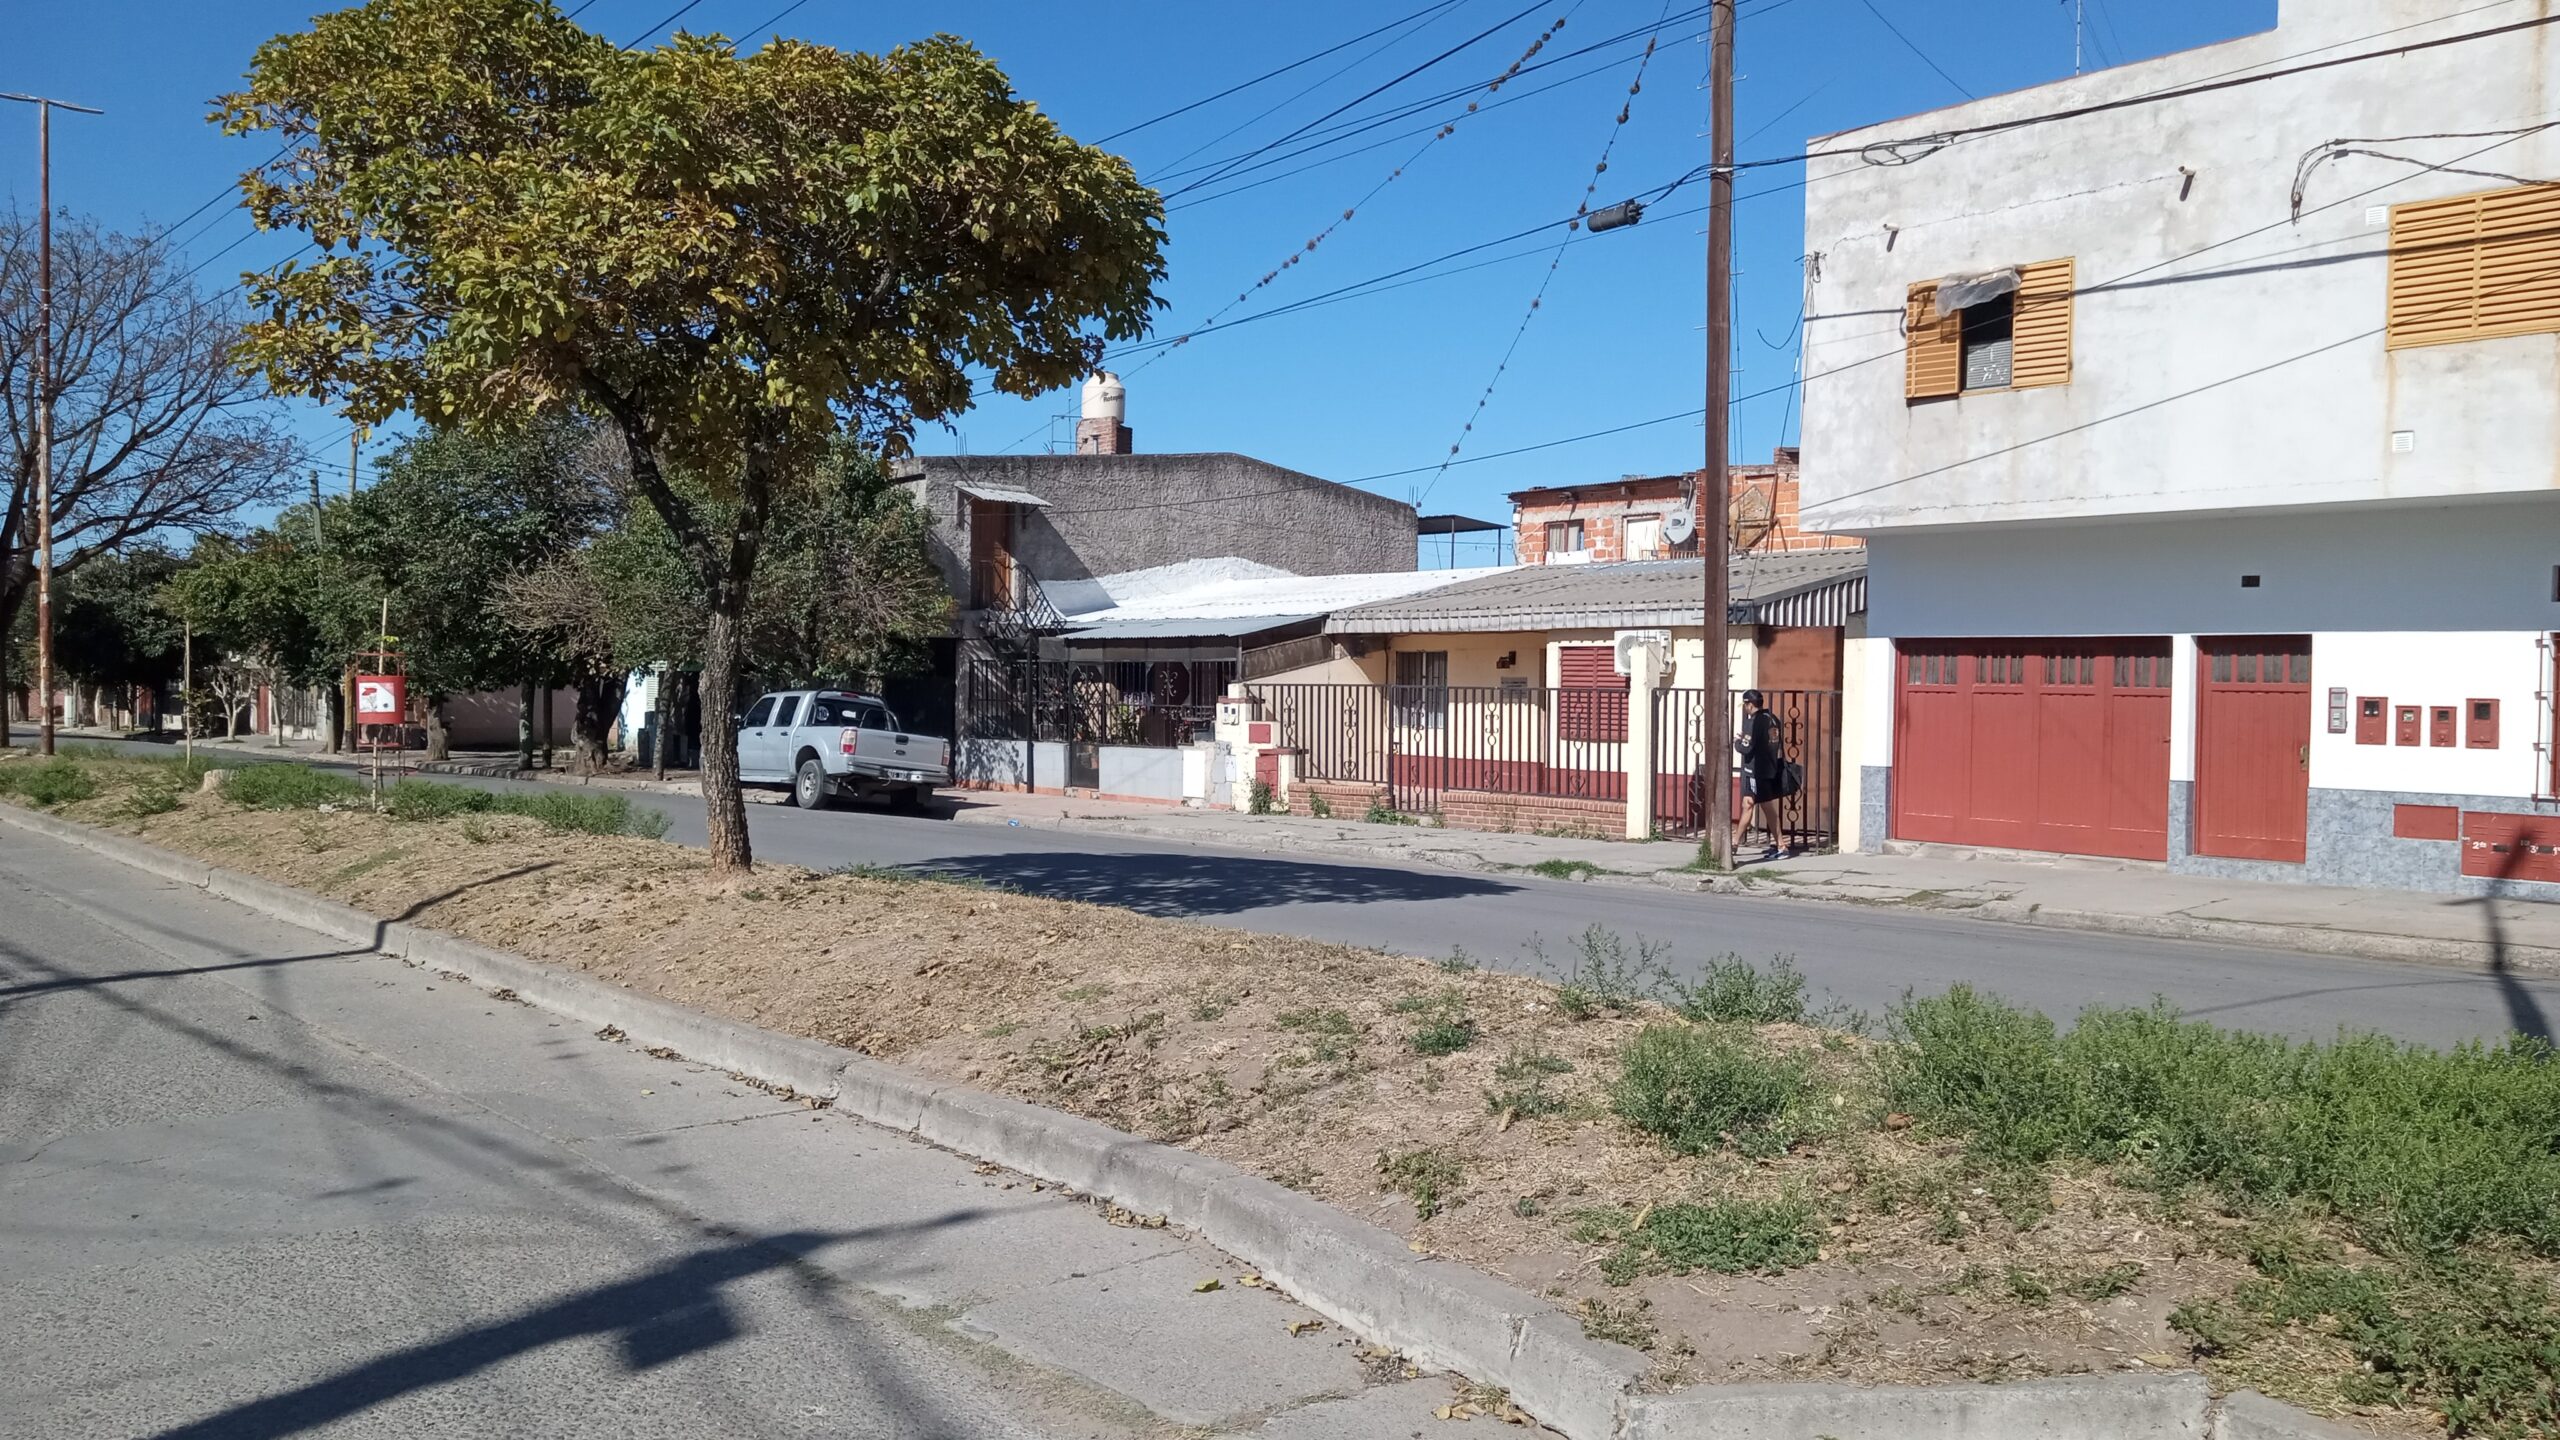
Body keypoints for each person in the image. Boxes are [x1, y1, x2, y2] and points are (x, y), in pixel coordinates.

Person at [1731, 689, 1787, 862]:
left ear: (1750, 704)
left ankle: (1780, 845)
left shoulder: (1753, 722)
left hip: (1755, 771)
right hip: (1769, 768)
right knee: (1753, 805)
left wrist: (1737, 742)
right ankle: (1735, 842)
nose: (1745, 709)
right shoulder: (1773, 719)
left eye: (1746, 705)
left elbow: (1746, 748)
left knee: (1757, 806)